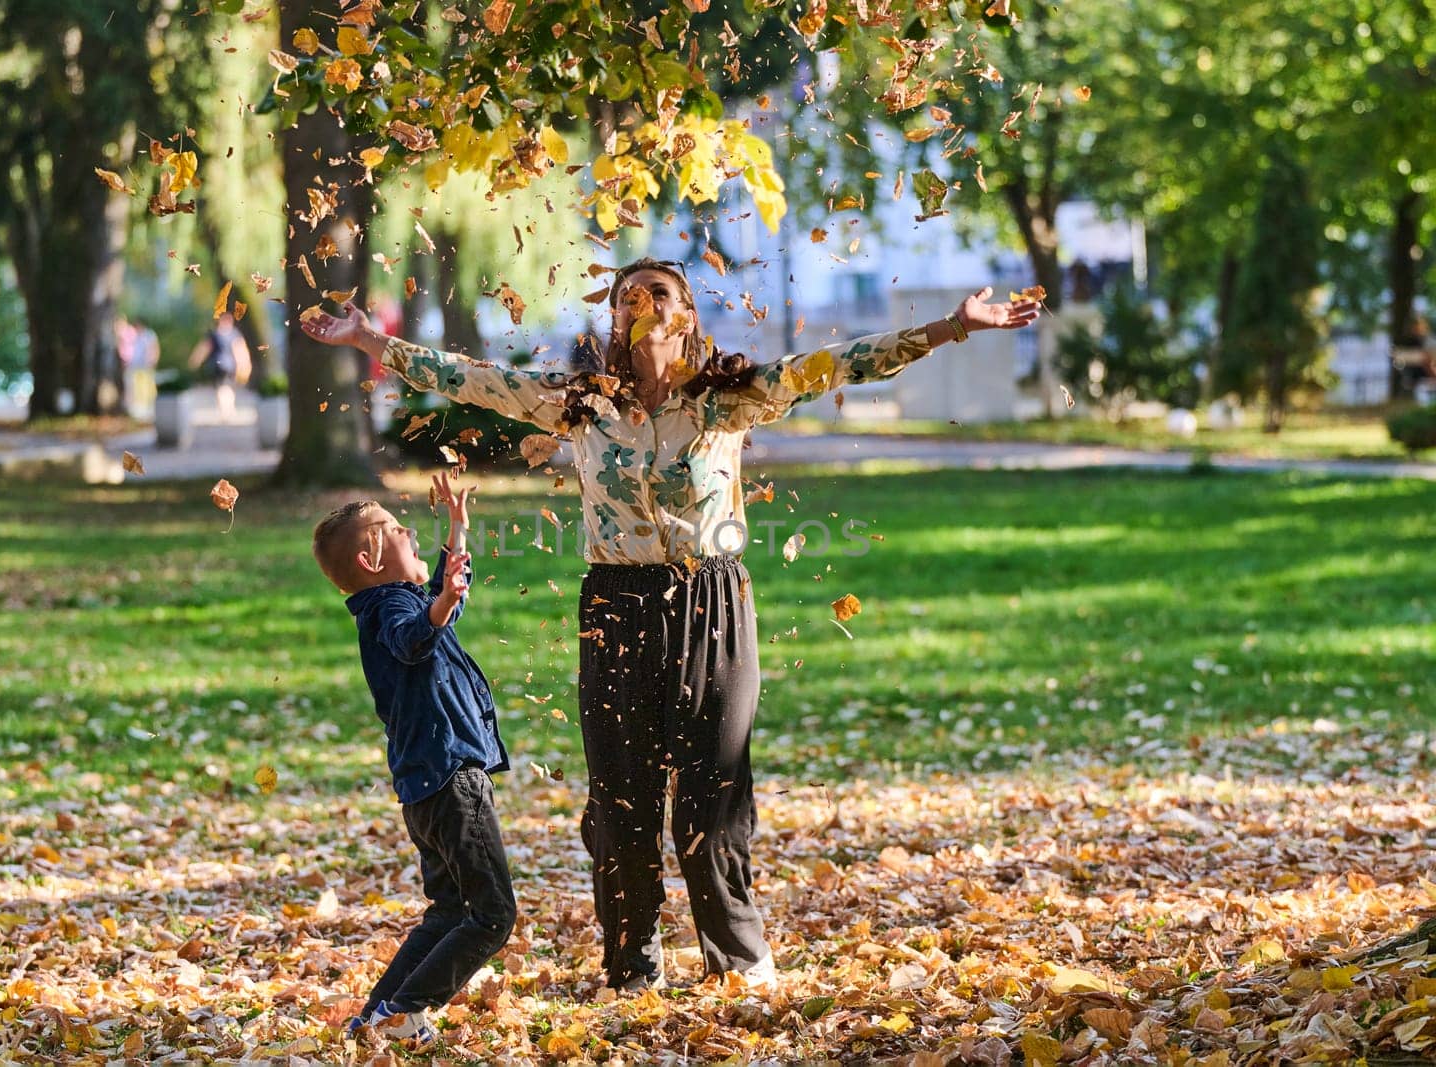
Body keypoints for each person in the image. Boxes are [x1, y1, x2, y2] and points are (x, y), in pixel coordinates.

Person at [302, 258, 1040, 994]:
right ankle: (632, 963)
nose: (641, 304)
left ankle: (739, 959)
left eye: (659, 294)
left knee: (713, 799)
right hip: (616, 609)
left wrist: (950, 327)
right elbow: (472, 378)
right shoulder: (579, 404)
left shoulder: (729, 398)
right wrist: (375, 342)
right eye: (629, 297)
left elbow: (835, 364)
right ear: (618, 321)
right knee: (622, 799)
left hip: (712, 602)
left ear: (685, 314)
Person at [311, 471, 516, 1046]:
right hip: (452, 781)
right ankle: (405, 1012)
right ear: (370, 555)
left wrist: (458, 531)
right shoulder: (390, 614)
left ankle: (375, 1019)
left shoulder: (388, 603)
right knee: (492, 915)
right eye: (396, 528)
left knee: (451, 910)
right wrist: (446, 597)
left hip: (427, 786)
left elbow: (436, 615)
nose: (409, 530)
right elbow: (415, 635)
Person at [188, 313, 251, 423]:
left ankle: (226, 412)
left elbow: (204, 348)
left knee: (222, 388)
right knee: (227, 388)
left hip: (218, 365)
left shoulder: (215, 334)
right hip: (230, 366)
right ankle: (229, 410)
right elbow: (240, 350)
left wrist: (195, 361)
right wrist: (244, 364)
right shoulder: (234, 334)